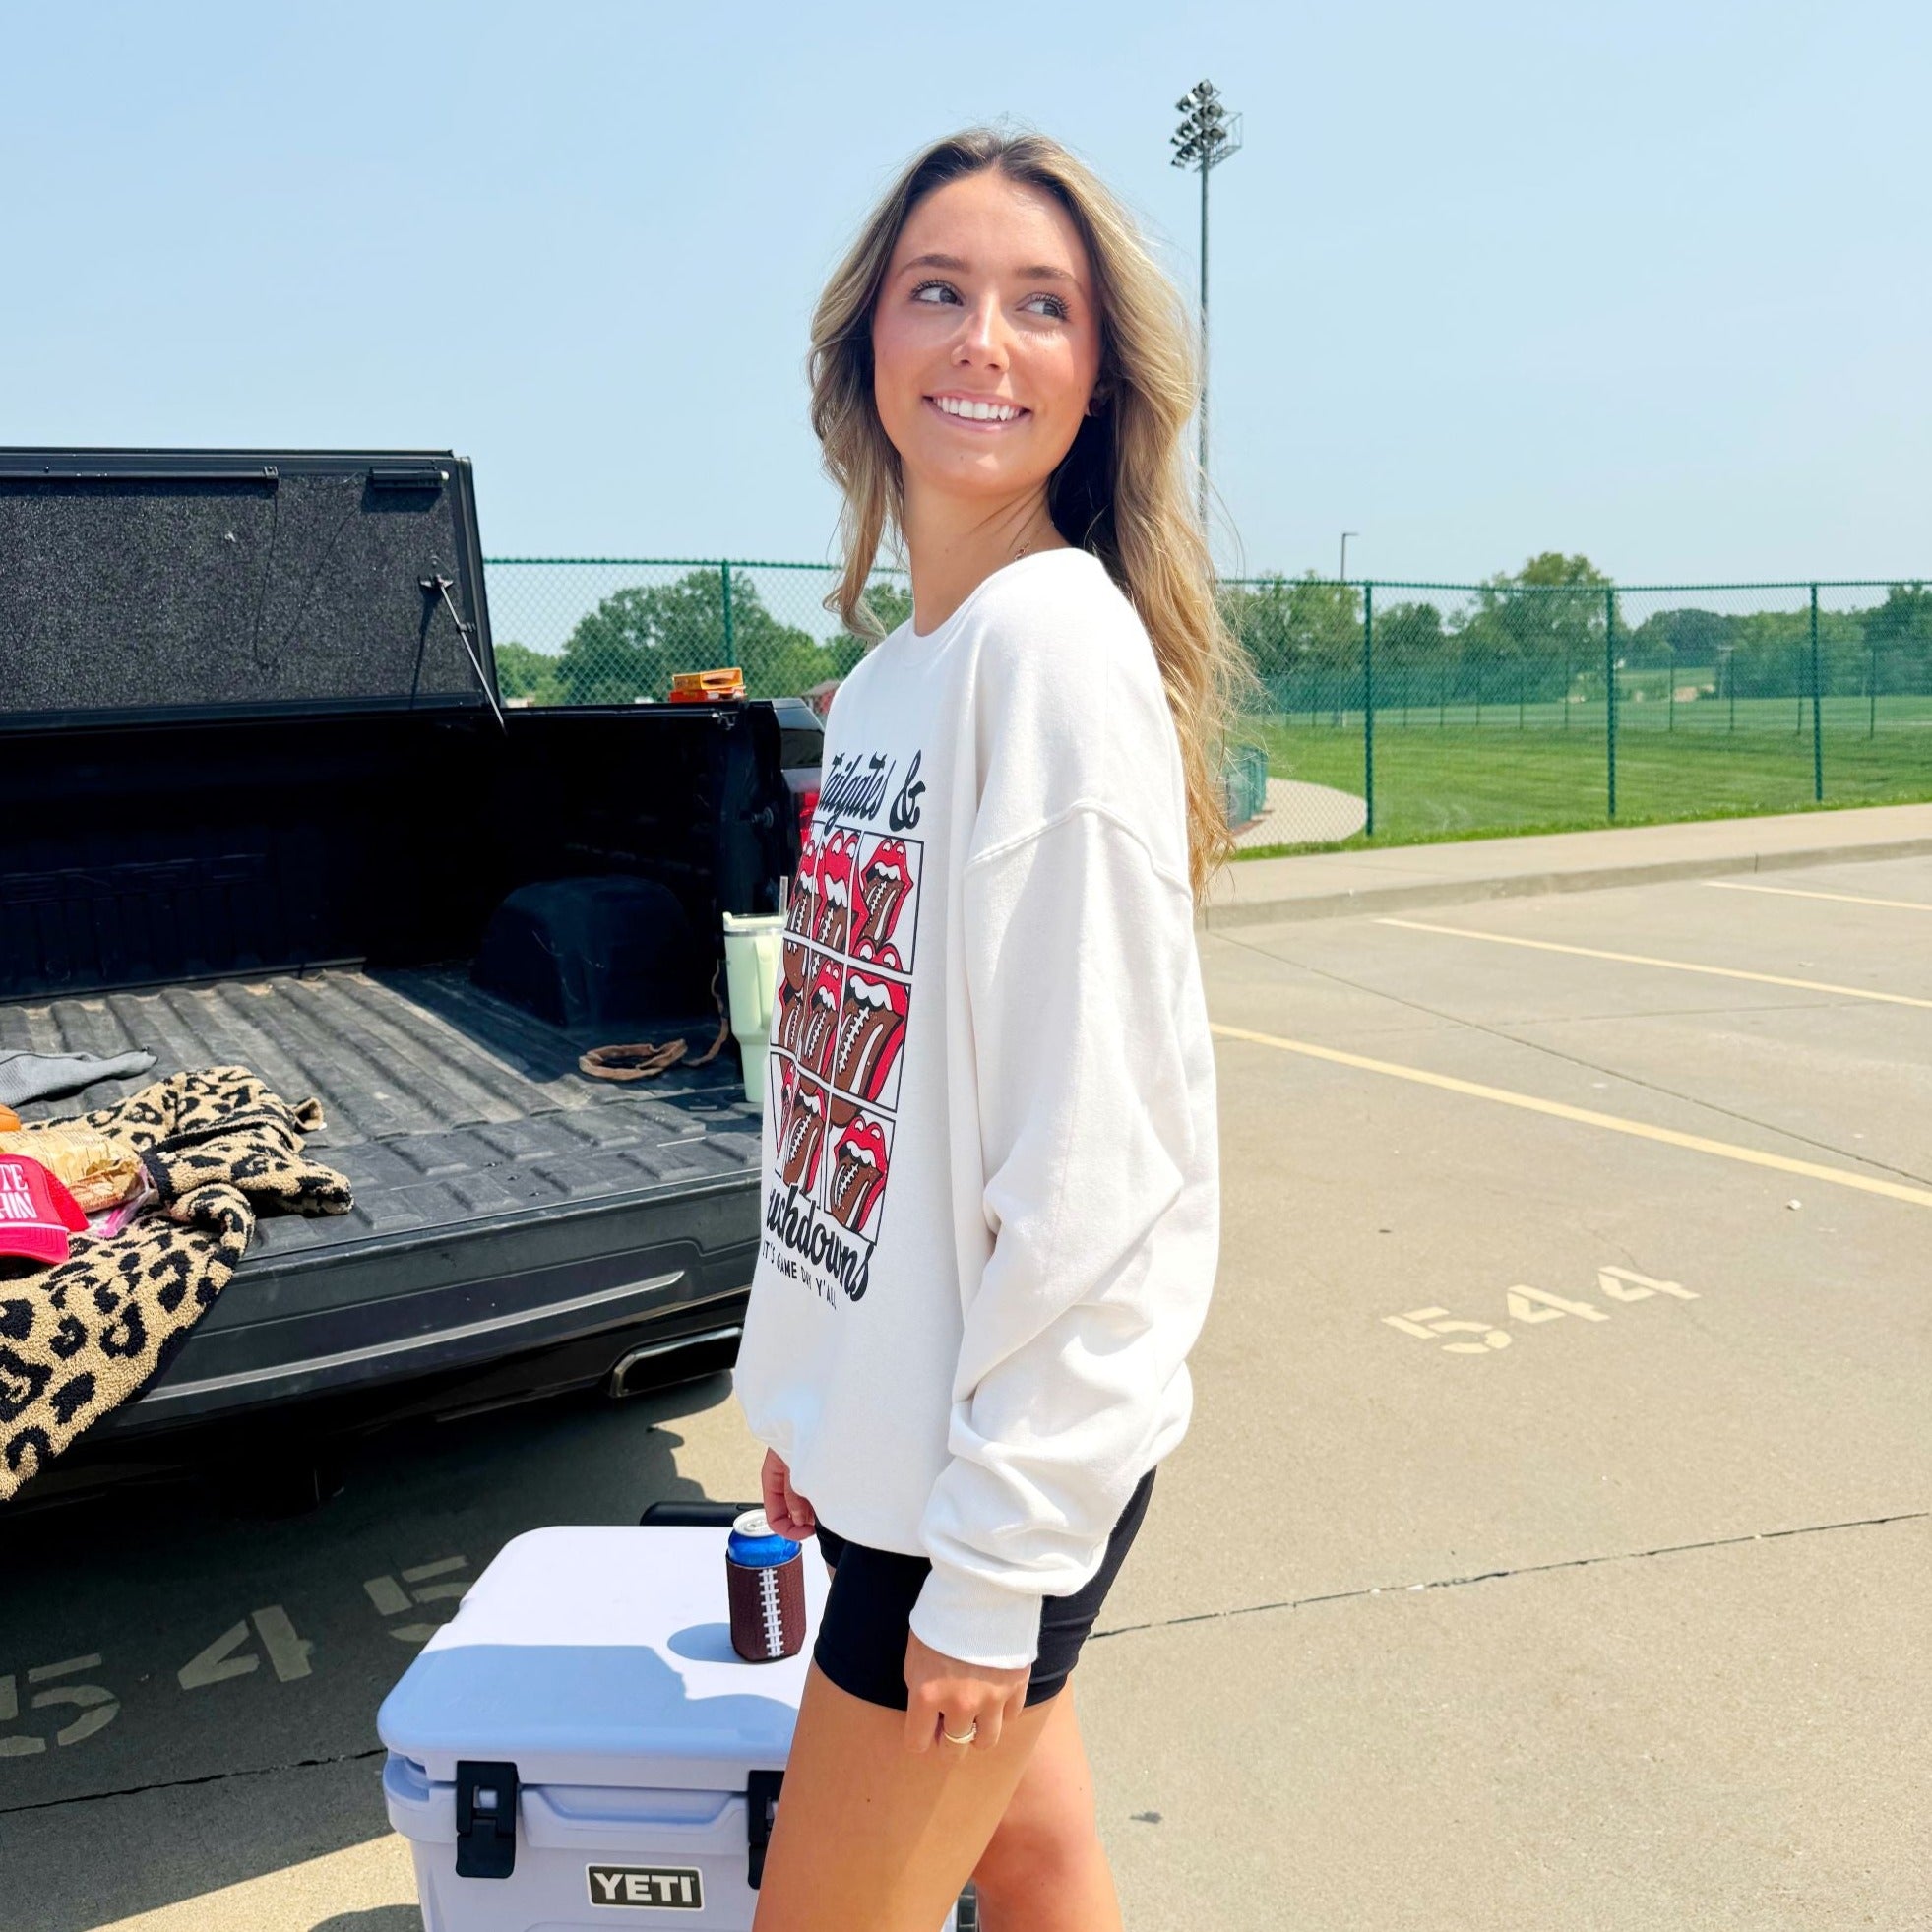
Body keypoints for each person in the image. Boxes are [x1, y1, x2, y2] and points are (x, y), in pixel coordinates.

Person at [731, 125, 1254, 1932]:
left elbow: (1102, 1165)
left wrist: (994, 1560)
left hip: (995, 1479)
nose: (982, 341)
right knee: (1033, 1863)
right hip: (910, 1445)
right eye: (937, 292)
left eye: (1042, 307)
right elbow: (850, 1091)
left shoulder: (1050, 654)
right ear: (864, 348)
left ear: (1096, 378)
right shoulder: (896, 677)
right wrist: (817, 1388)